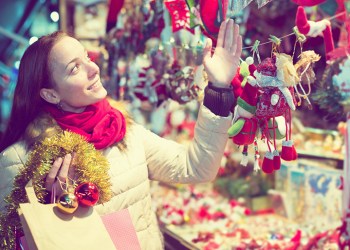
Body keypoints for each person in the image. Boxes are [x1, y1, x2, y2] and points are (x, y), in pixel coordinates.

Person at [0, 19, 242, 249]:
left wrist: (218, 89)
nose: (93, 68)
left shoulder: (124, 131)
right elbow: (11, 241)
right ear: (51, 94)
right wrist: (56, 208)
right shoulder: (20, 161)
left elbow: (196, 167)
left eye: (86, 57)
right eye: (75, 68)